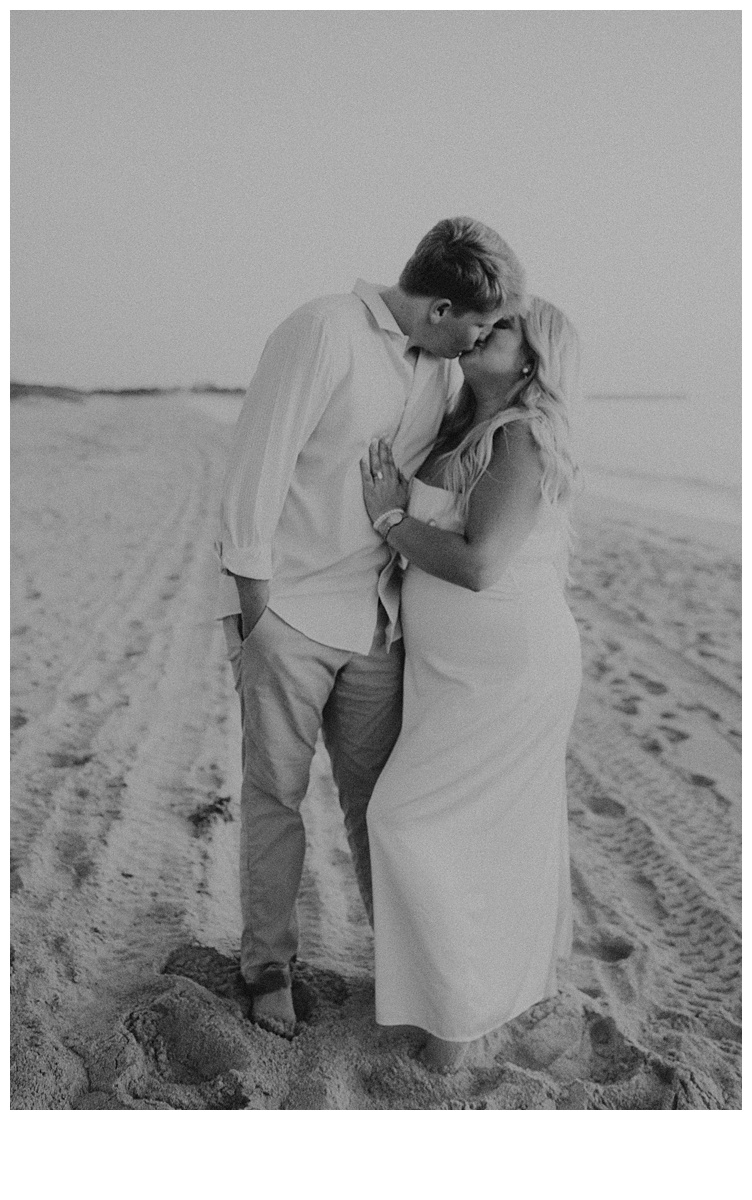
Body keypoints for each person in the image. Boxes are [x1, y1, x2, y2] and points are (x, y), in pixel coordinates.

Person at [216, 217, 527, 1037]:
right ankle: (268, 967)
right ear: (440, 309)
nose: (484, 338)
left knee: (384, 807)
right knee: (276, 798)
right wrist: (257, 619)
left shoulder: (442, 373)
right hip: (288, 615)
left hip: (378, 623)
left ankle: (410, 972)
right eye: (480, 325)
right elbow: (254, 469)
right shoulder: (322, 331)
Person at [360, 296, 582, 1073]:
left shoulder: (519, 435)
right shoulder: (456, 425)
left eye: (508, 325)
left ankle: (455, 1031)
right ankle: (459, 1008)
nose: (486, 328)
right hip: (447, 670)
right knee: (458, 836)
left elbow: (482, 565)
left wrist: (391, 522)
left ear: (532, 359)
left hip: (508, 665)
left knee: (404, 819)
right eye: (486, 319)